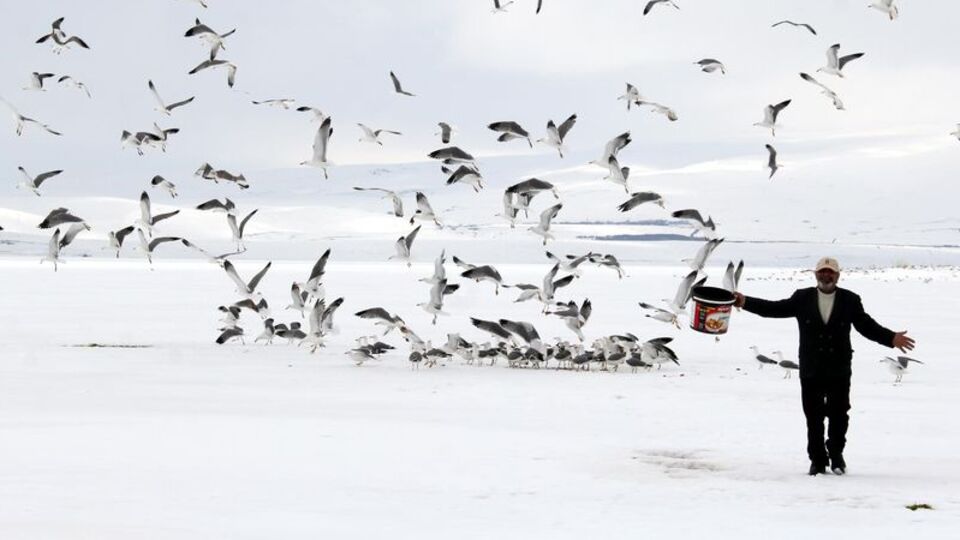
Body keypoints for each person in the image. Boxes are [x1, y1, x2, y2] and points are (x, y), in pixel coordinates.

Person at [733, 256, 915, 476]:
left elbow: (865, 326)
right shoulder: (802, 298)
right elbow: (774, 309)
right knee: (814, 416)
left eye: (830, 272)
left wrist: (891, 337)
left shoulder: (850, 300)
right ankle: (818, 460)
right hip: (811, 368)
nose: (826, 275)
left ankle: (836, 455)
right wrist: (745, 301)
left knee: (840, 415)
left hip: (838, 367)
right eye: (822, 272)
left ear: (837, 276)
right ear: (815, 274)